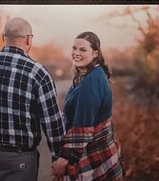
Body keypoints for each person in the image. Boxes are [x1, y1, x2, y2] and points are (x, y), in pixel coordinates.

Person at [0, 17, 65, 181]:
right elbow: (52, 123)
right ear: (29, 39)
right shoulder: (38, 73)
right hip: (20, 161)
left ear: (3, 37)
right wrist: (58, 157)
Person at [51, 32, 123, 181]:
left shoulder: (92, 81)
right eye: (74, 48)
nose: (76, 53)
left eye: (83, 50)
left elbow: (83, 128)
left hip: (92, 156)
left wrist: (63, 159)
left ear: (95, 53)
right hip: (96, 152)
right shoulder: (91, 75)